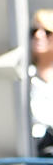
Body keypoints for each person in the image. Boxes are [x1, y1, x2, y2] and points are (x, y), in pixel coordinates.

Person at [29, 10, 53, 152]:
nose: (38, 35)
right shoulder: (22, 78)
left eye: (47, 31)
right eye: (34, 31)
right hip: (32, 157)